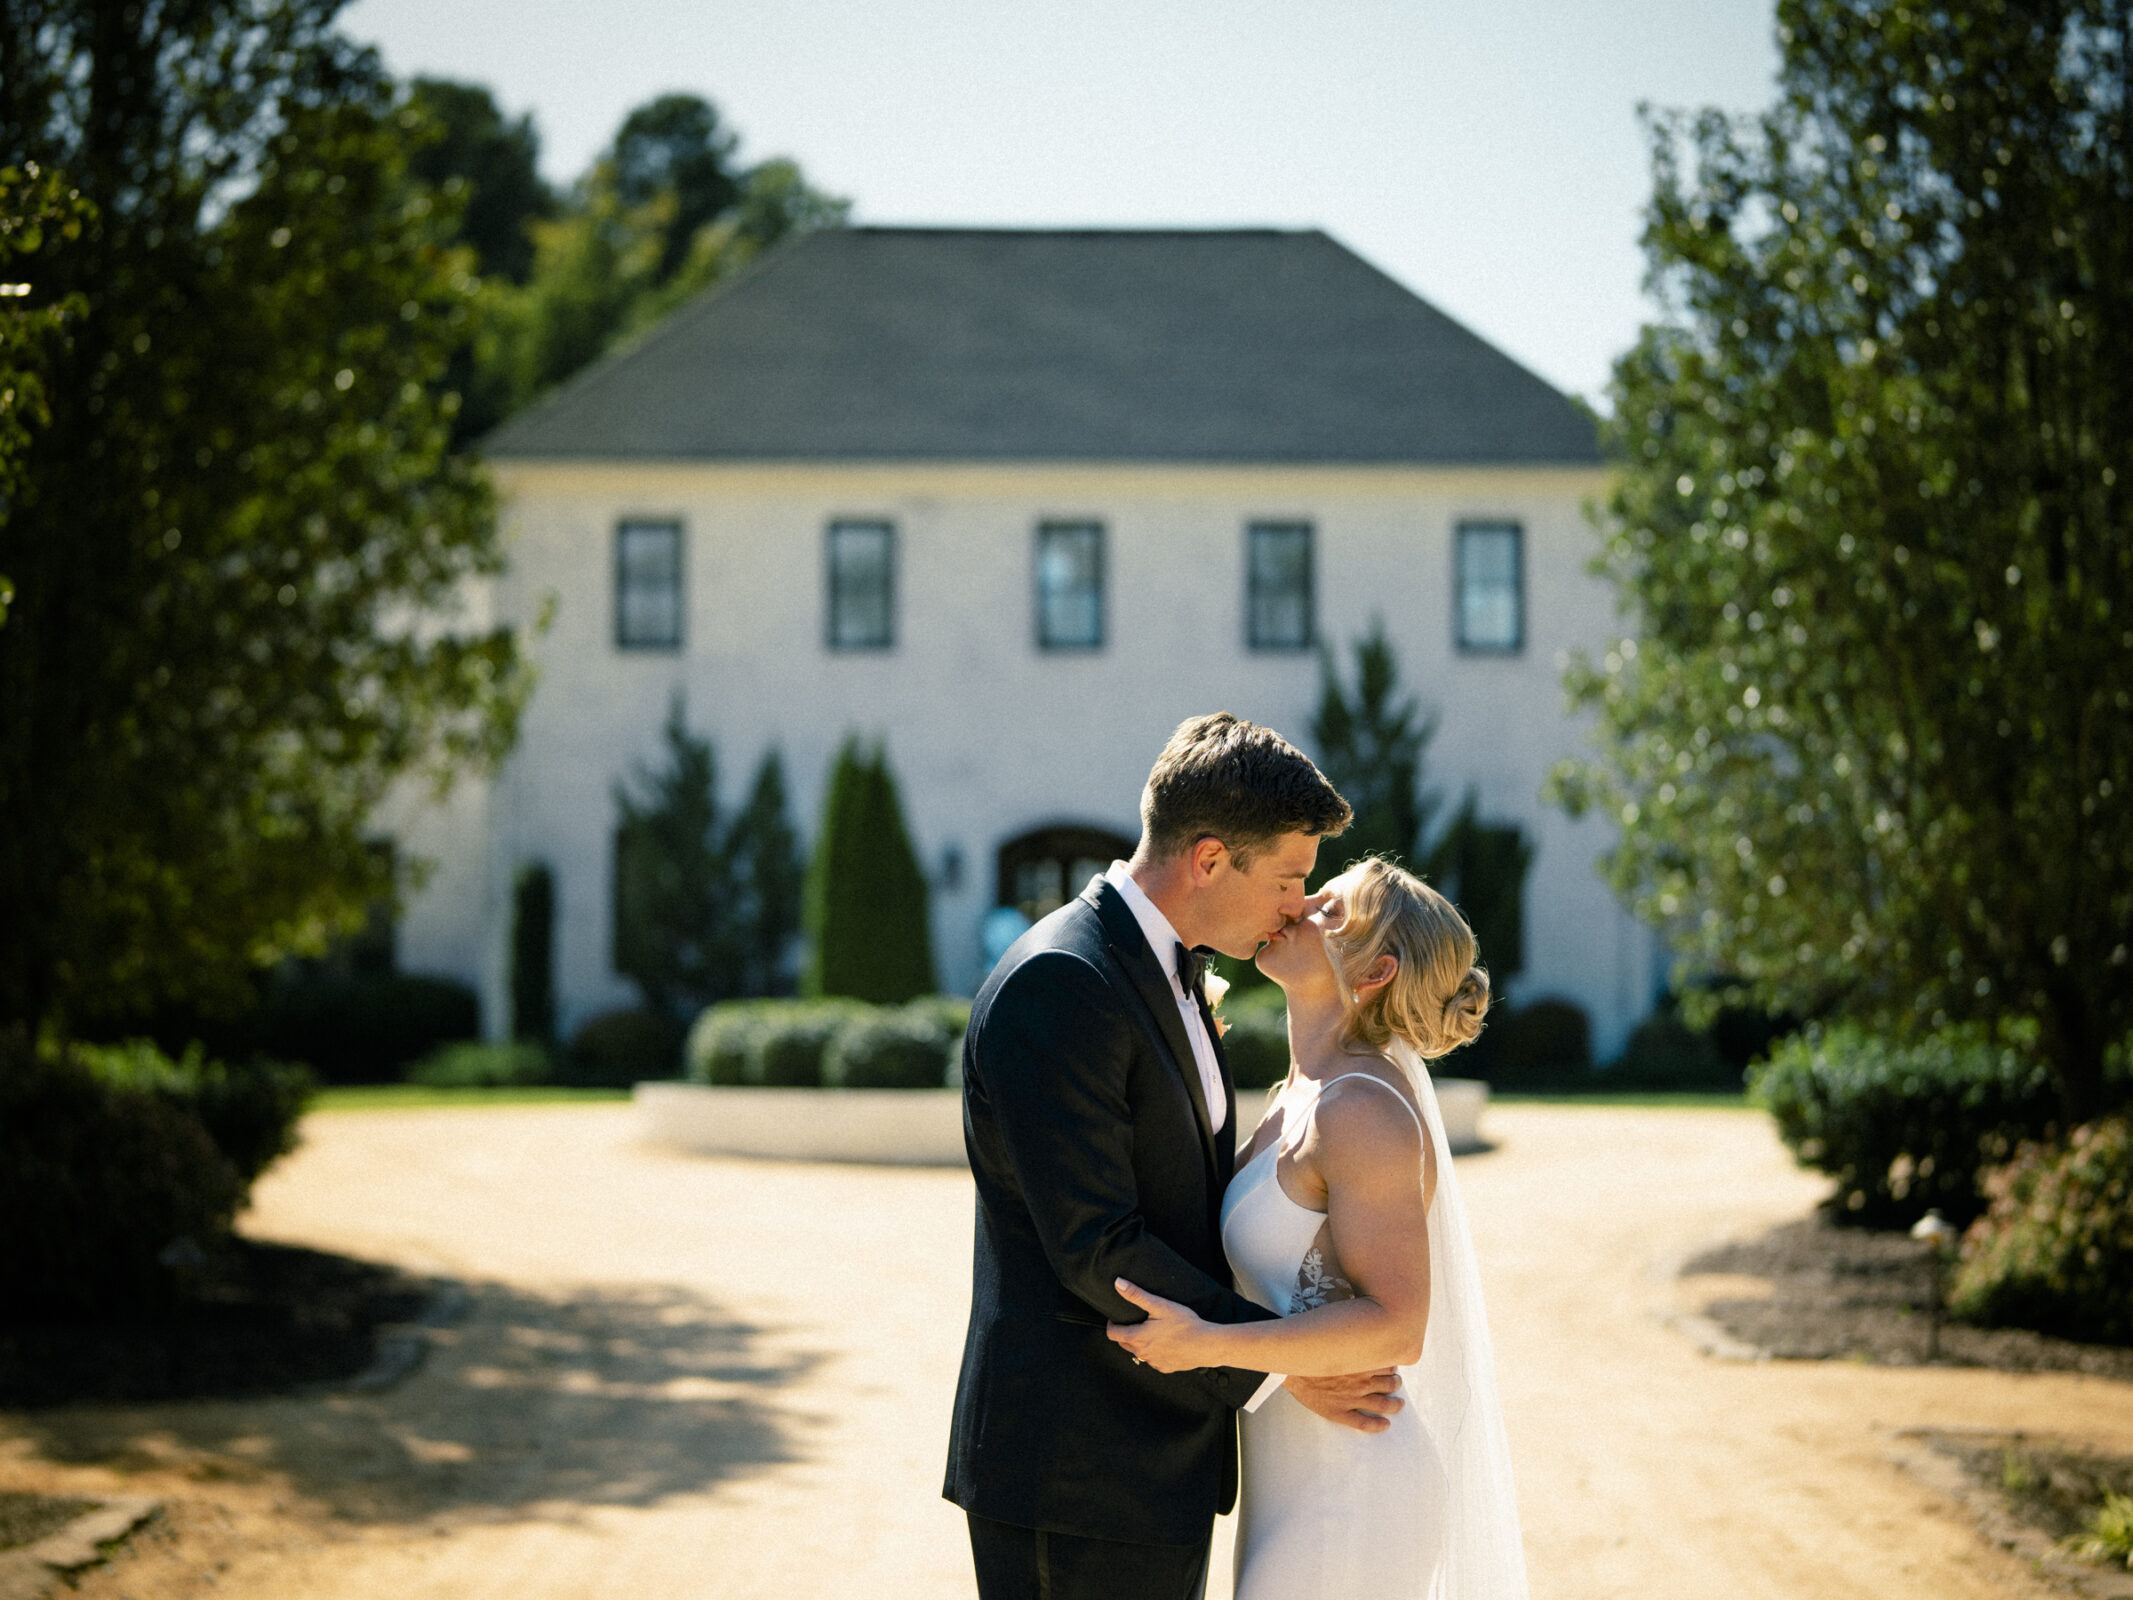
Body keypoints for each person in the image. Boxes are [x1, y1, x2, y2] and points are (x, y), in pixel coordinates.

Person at [944, 712, 1403, 1600]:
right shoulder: (1062, 983)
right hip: (1073, 1473)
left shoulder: (1162, 969)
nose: (1301, 905)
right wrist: (1278, 1362)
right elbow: (1098, 1246)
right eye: (1289, 877)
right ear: (1207, 858)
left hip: (1148, 1463)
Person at [1108, 855, 1529, 1599]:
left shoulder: (1360, 1110)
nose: (1298, 908)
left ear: (1374, 974)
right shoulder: (1299, 1092)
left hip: (1355, 1481)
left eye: (1330, 912)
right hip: (1296, 1475)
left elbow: (1397, 1326)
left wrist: (1209, 1346)